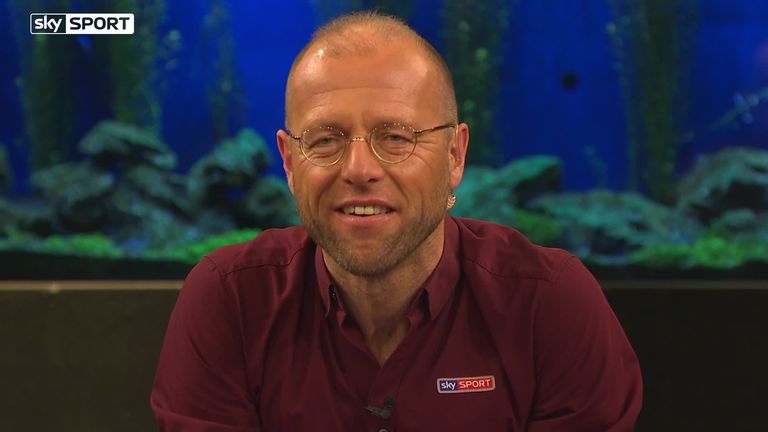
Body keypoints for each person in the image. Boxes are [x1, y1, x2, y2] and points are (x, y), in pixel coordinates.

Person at [151, 11, 642, 431]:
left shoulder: (549, 303)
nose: (359, 170)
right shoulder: (230, 300)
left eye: (396, 137)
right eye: (325, 140)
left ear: (454, 155)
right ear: (289, 162)